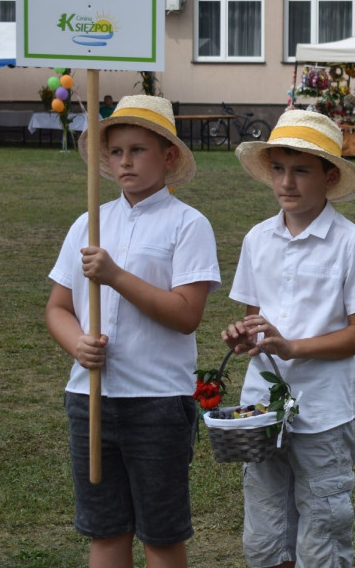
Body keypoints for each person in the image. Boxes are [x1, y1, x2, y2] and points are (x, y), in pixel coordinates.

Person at [45, 95, 220, 568]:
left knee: (161, 537)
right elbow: (58, 308)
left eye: (138, 150)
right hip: (91, 399)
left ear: (168, 156)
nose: (125, 161)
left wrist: (116, 276)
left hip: (157, 402)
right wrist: (76, 343)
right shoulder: (89, 222)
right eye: (116, 150)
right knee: (105, 532)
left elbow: (186, 314)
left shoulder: (188, 225)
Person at [223, 109, 355, 567]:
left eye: (300, 171)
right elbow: (254, 323)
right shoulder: (257, 239)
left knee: (323, 528)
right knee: (264, 533)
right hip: (262, 409)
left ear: (330, 177)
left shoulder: (353, 242)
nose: (286, 183)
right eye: (278, 169)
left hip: (323, 411)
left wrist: (293, 347)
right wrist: (243, 337)